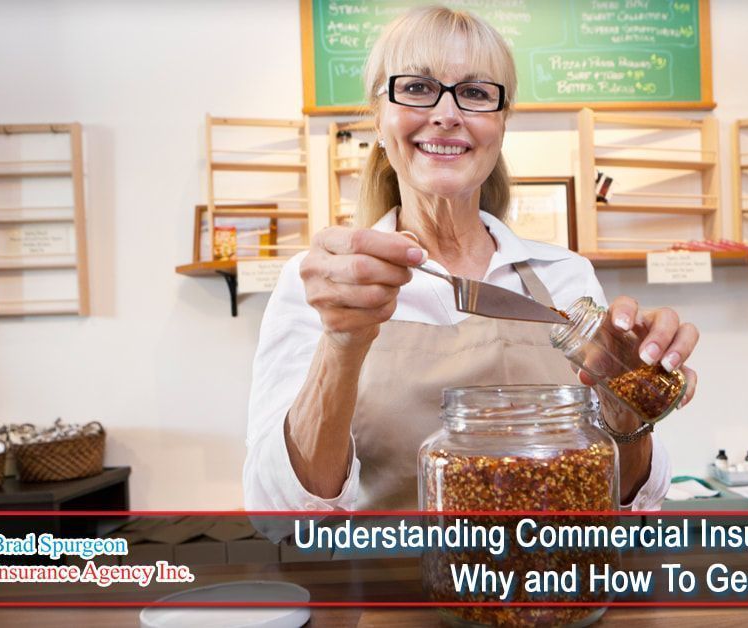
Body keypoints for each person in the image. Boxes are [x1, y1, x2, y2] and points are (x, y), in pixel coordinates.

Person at [244, 6, 699, 513]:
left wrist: (627, 410)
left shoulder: (565, 277)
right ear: (379, 115)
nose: (446, 114)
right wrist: (341, 344)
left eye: (476, 94)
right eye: (416, 88)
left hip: (553, 585)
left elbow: (625, 496)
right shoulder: (323, 286)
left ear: (501, 125)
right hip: (387, 588)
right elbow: (278, 512)